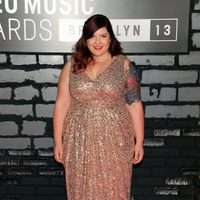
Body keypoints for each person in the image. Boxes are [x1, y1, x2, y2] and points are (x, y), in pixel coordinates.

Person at [53, 14, 144, 200]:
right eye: (92, 36)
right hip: (79, 138)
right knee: (81, 188)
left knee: (114, 187)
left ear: (111, 38)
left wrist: (139, 141)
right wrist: (58, 141)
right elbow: (62, 103)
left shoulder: (124, 66)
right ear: (85, 39)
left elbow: (134, 105)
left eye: (103, 35)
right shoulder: (72, 66)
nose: (97, 42)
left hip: (116, 139)